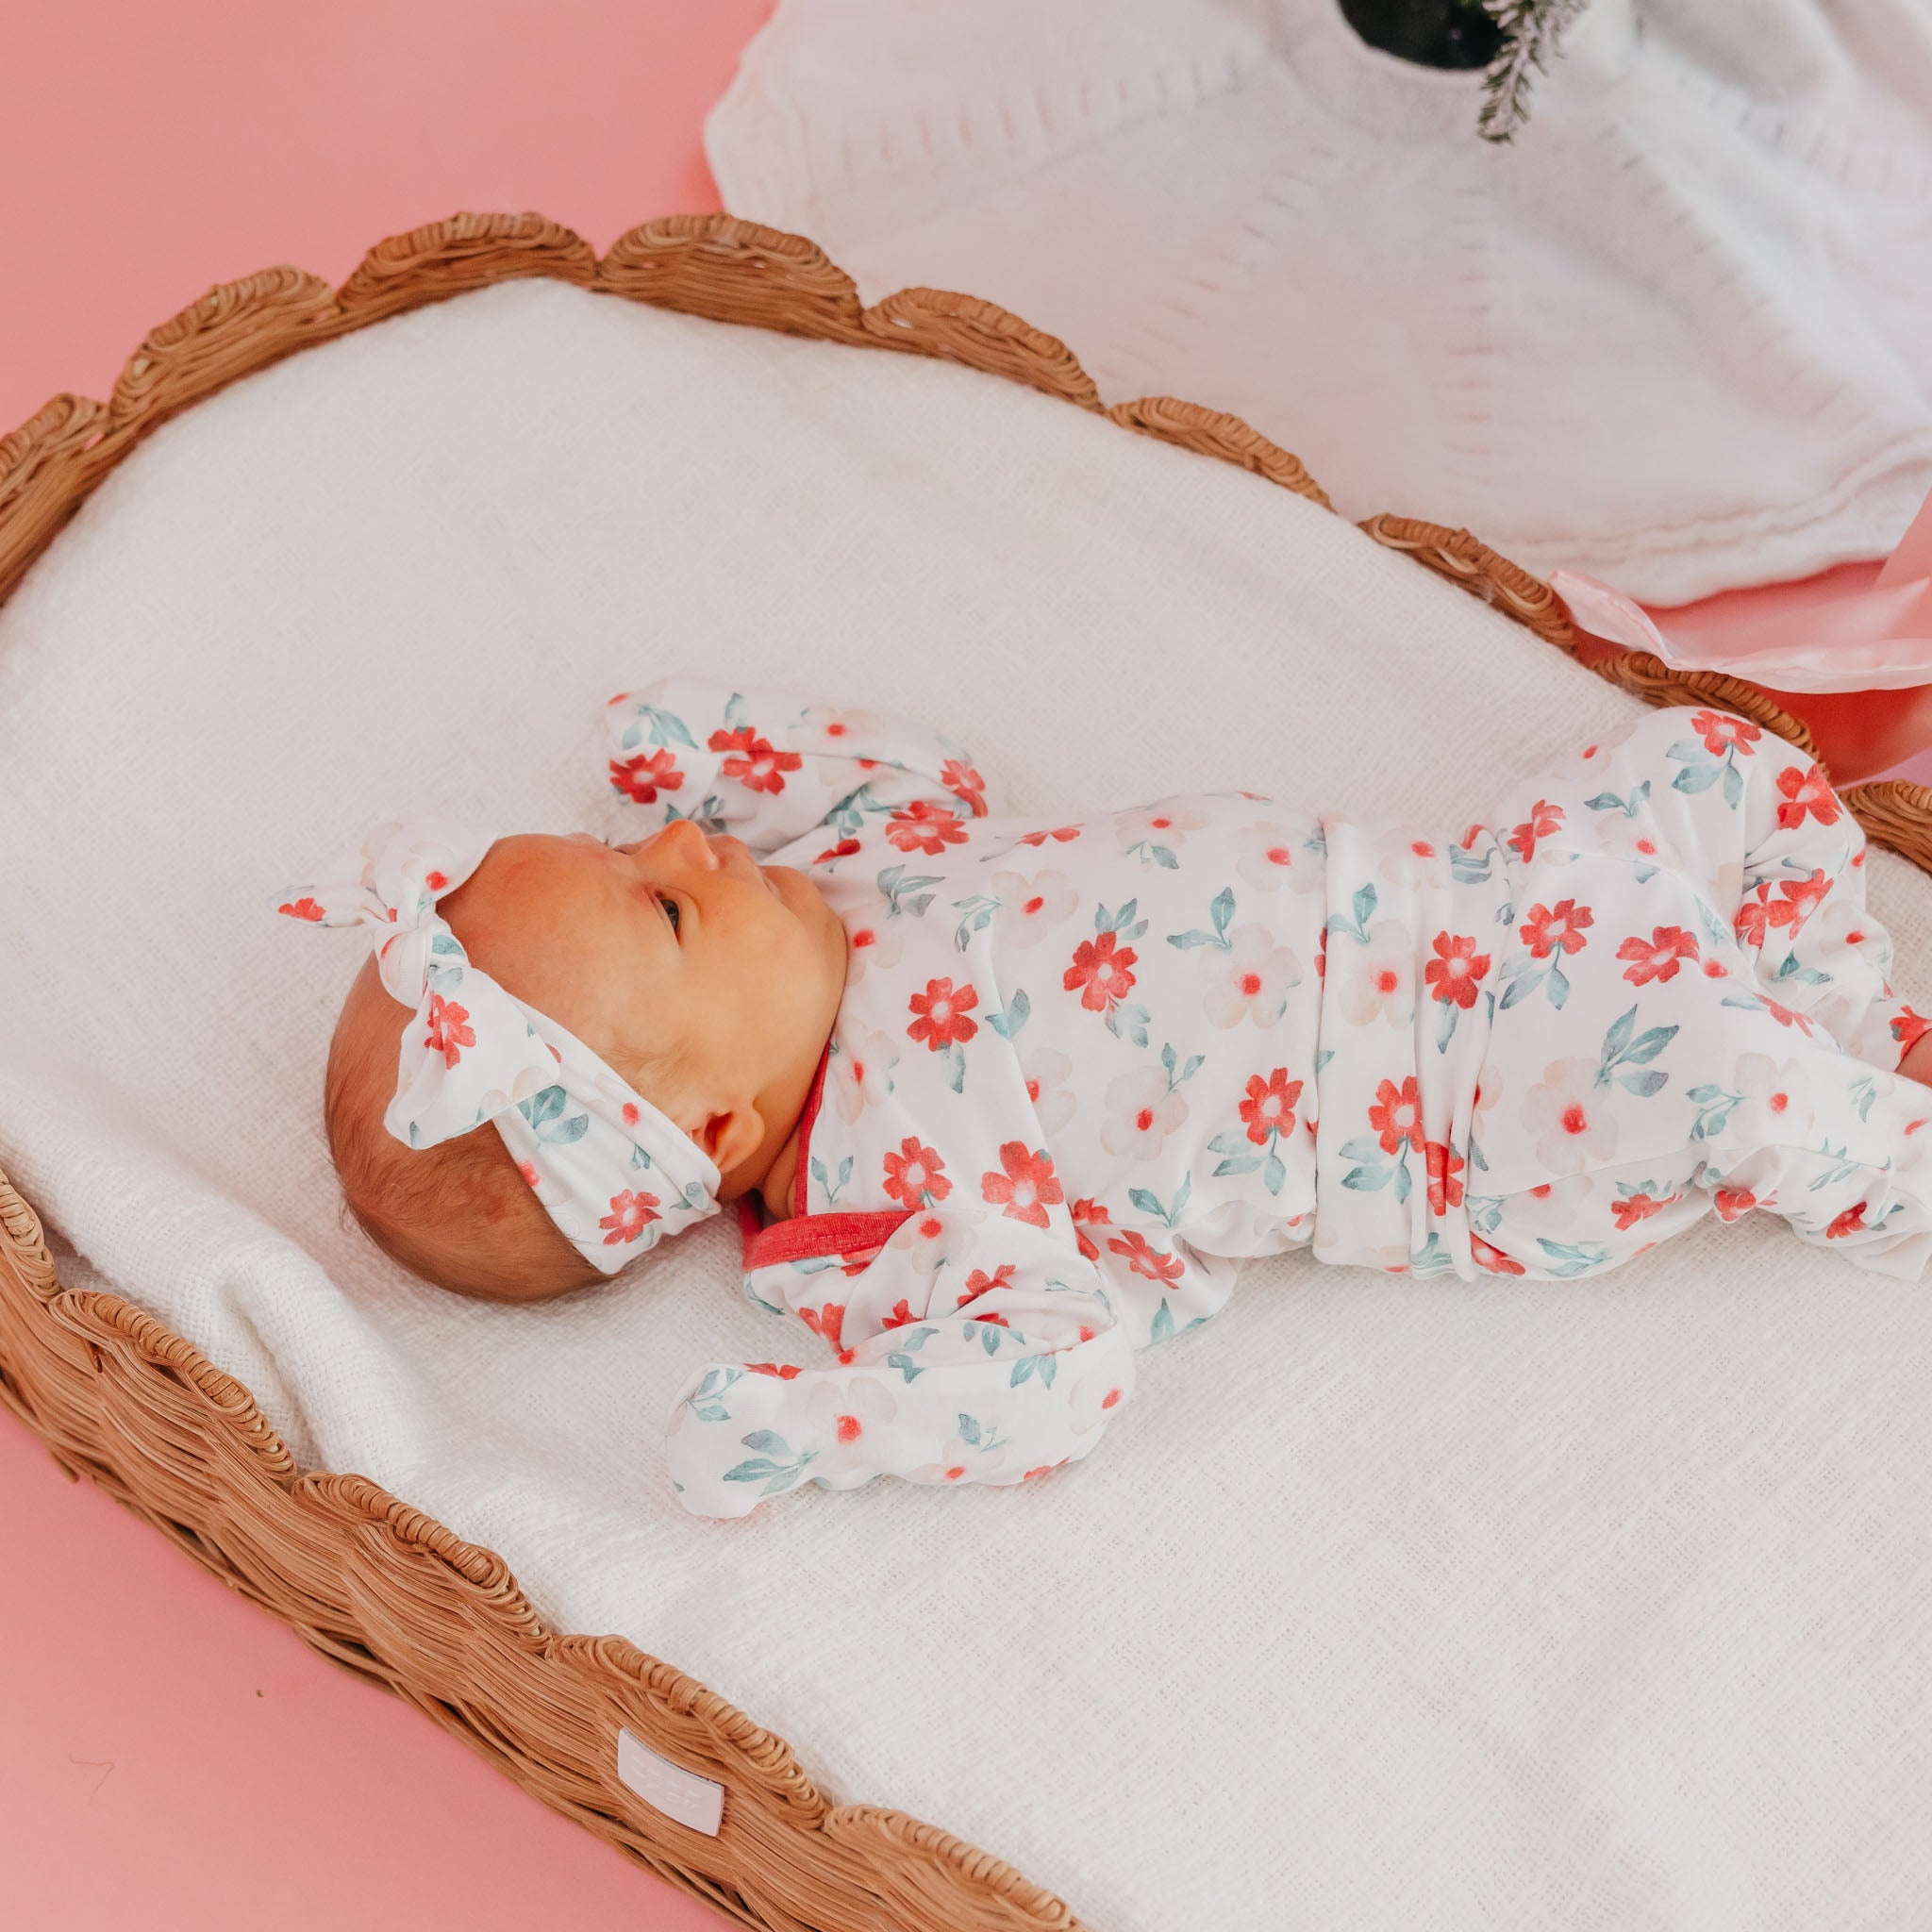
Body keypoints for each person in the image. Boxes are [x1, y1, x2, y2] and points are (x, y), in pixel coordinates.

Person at [283, 680, 1932, 1518]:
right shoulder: (876, 1209)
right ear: (712, 1130)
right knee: (1722, 1080)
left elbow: (923, 774)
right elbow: (1057, 1368)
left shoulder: (838, 874)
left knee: (1714, 759)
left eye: (628, 844)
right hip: (1469, 1097)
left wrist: (721, 754)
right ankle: (1880, 1147)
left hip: (1489, 892)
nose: (685, 849)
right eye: (660, 903)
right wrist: (830, 1425)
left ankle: (1847, 1014)